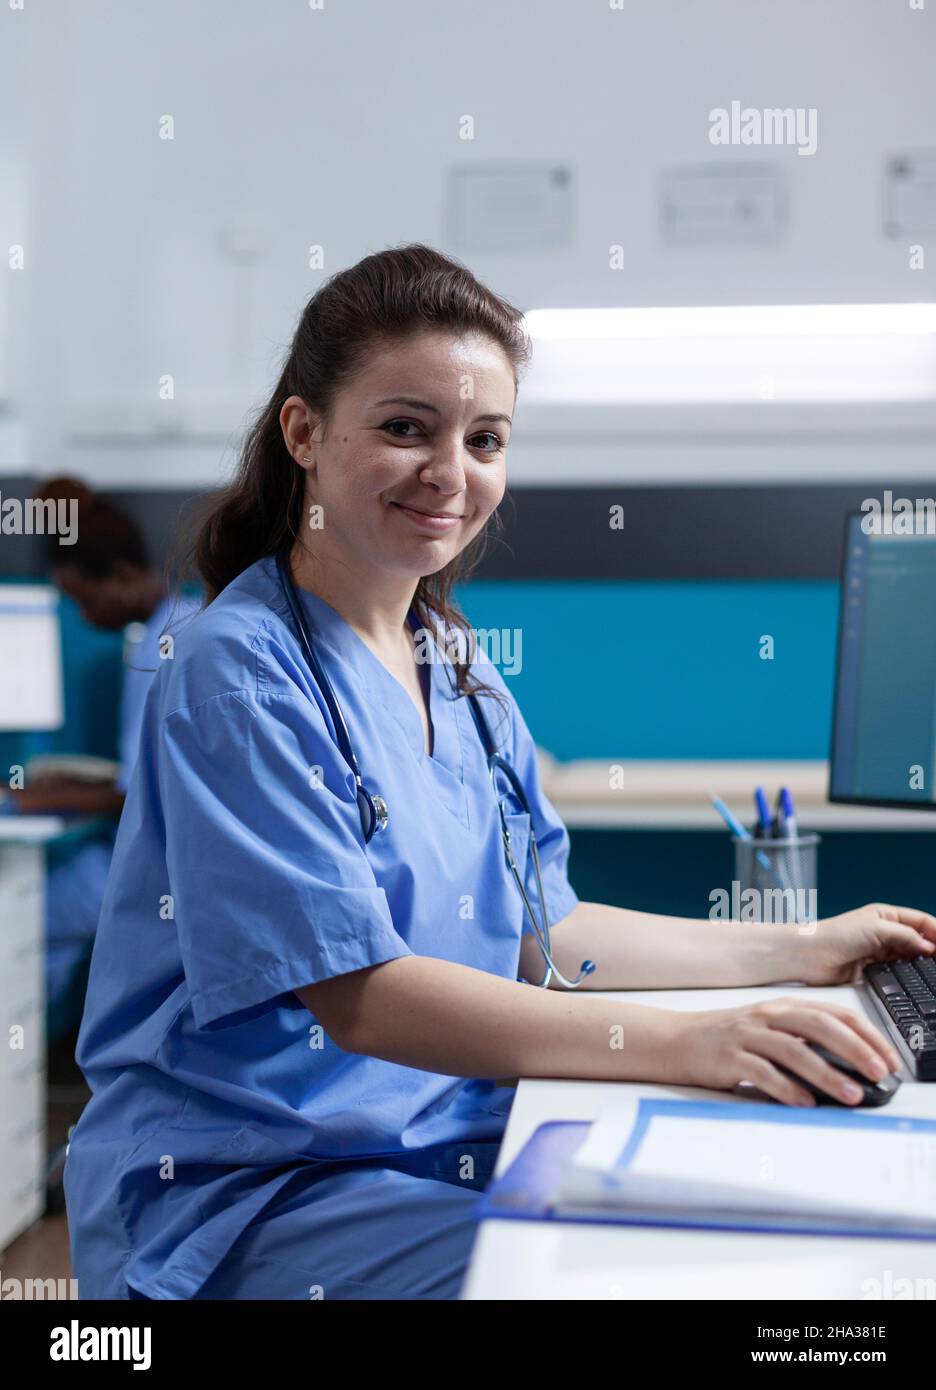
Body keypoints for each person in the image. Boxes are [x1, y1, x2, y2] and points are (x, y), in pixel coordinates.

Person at [64, 245, 936, 1302]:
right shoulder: (234, 672)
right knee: (648, 1280)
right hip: (257, 1187)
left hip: (442, 1136)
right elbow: (362, 1000)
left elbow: (545, 932)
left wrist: (805, 947)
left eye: (485, 440)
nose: (450, 473)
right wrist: (700, 1042)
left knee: (778, 1233)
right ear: (304, 432)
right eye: (404, 428)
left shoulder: (459, 668)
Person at [12, 479, 197, 1021]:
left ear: (118, 578)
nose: (85, 615)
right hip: (162, 852)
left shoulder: (159, 648)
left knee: (25, 918)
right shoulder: (177, 622)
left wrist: (34, 799)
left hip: (163, 866)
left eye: (84, 599)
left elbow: (145, 794)